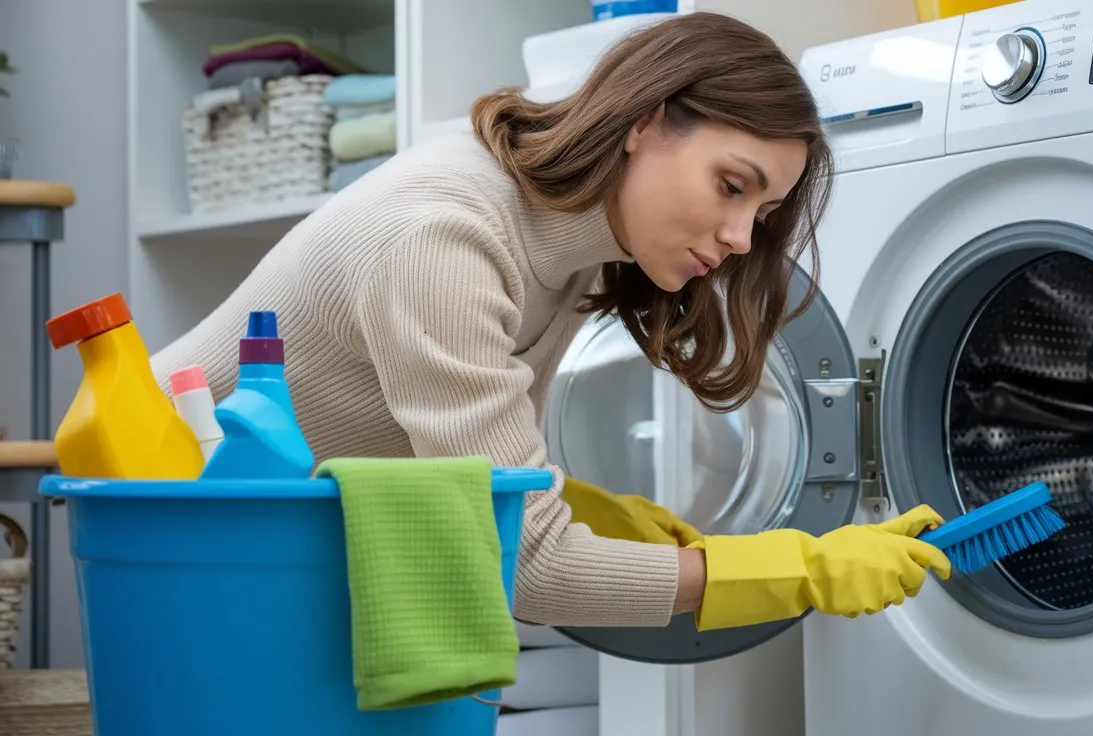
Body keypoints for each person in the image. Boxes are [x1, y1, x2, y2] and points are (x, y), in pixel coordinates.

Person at [150, 11, 951, 633]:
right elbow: (523, 566)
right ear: (645, 121)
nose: (743, 240)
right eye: (731, 186)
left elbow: (488, 488)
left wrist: (607, 521)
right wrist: (796, 569)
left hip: (264, 549)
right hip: (164, 528)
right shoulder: (442, 239)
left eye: (765, 211)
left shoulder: (574, 244)